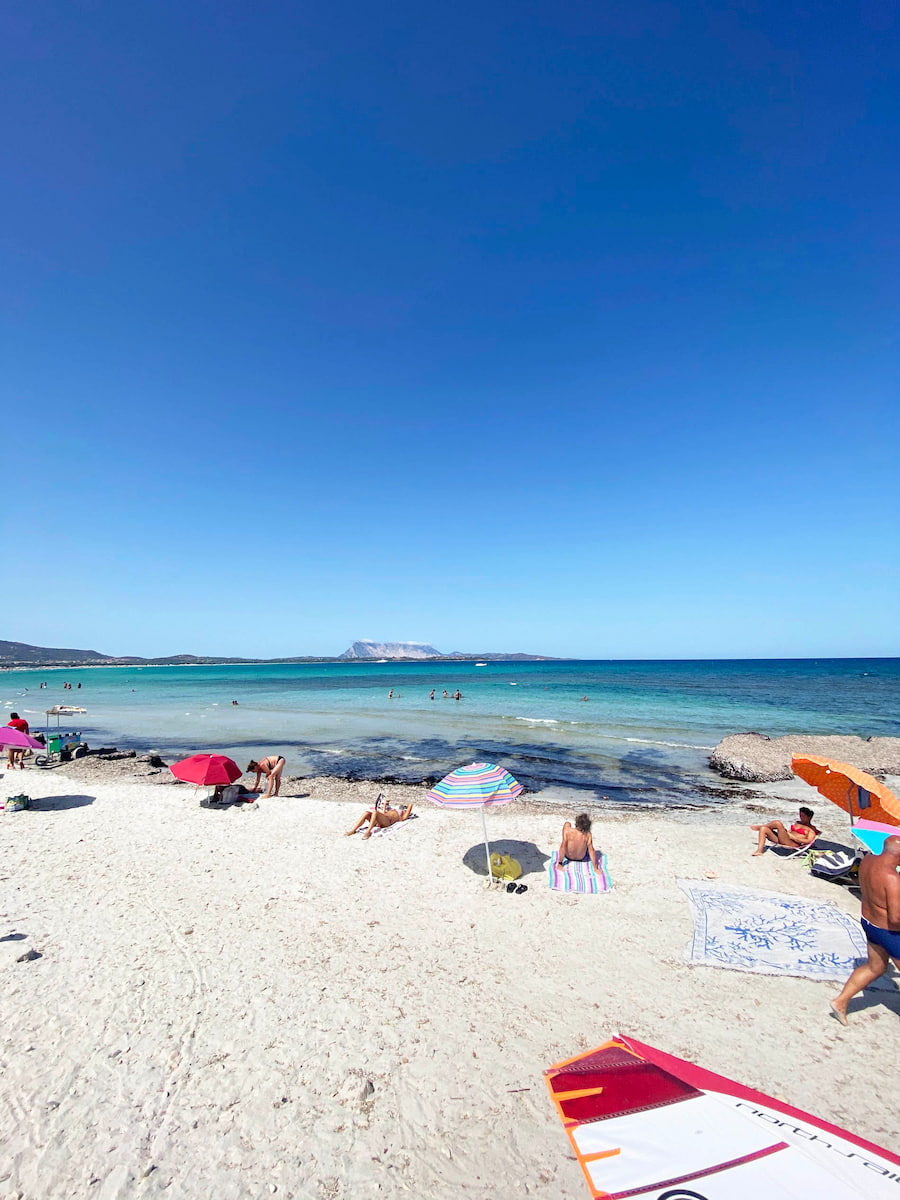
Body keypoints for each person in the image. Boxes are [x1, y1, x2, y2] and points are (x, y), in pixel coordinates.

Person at [831, 836, 900, 1025]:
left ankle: (840, 1002)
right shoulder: (892, 878)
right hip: (889, 932)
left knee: (875, 967)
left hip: (869, 923)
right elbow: (895, 918)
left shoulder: (868, 860)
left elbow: (879, 895)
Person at [751, 806, 819, 856]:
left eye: (803, 816)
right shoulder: (798, 822)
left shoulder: (811, 829)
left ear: (809, 817)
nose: (801, 817)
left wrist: (794, 838)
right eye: (800, 815)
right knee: (764, 829)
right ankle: (759, 851)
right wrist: (786, 833)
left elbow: (808, 841)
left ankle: (759, 827)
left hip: (792, 843)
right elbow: (791, 831)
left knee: (778, 823)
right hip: (785, 839)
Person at [345, 802, 414, 839]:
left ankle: (368, 832)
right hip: (382, 819)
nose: (402, 808)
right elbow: (383, 814)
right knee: (367, 813)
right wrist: (384, 804)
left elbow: (410, 805)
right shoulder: (394, 810)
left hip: (387, 822)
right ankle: (353, 830)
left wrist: (408, 806)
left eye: (404, 808)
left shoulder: (403, 816)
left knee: (374, 812)